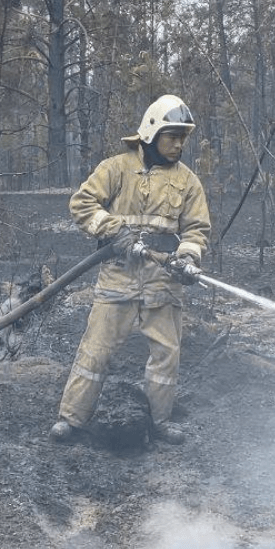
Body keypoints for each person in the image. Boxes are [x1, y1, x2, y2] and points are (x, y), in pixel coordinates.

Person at [51, 94, 211, 445]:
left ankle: (160, 422)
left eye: (183, 137)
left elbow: (197, 229)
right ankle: (71, 419)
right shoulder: (115, 169)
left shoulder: (188, 182)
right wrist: (114, 230)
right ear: (151, 132)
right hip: (118, 275)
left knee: (166, 355)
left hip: (163, 280)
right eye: (173, 136)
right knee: (95, 350)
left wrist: (187, 257)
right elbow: (82, 204)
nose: (179, 144)